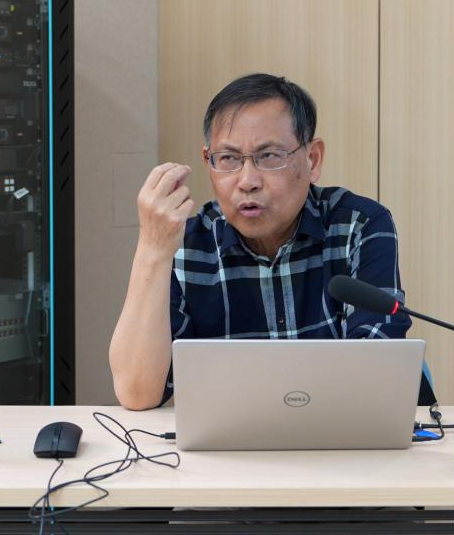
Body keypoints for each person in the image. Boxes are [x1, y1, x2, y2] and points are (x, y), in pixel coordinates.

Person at [109, 73, 412, 410]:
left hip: (339, 435)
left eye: (269, 156)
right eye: (228, 159)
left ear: (312, 160)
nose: (248, 181)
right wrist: (152, 248)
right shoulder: (187, 245)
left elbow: (377, 370)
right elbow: (138, 393)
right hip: (231, 438)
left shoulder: (359, 224)